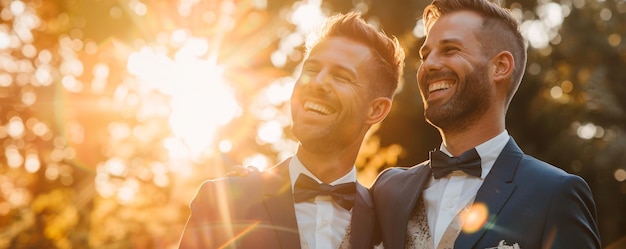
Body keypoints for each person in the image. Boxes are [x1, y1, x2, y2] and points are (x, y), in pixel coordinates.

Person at [370, 0, 601, 248]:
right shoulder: (388, 190)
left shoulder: (554, 195)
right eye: (425, 55)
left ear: (500, 67)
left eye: (449, 50)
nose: (429, 64)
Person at [178, 11, 405, 249]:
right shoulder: (222, 200)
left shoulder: (390, 224)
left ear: (376, 110)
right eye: (311, 70)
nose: (317, 82)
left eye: (341, 76)